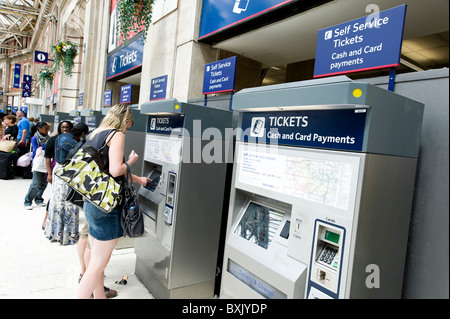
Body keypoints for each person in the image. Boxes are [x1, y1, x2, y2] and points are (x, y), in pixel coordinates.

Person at [77, 104, 150, 299]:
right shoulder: (116, 135)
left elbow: (104, 170)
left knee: (95, 260)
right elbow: (116, 171)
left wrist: (138, 179)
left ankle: (99, 296)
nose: (127, 130)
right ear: (124, 121)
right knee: (97, 265)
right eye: (128, 125)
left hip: (92, 200)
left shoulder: (95, 134)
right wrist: (131, 161)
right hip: (106, 205)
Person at [44, 123, 89, 245]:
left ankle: (54, 232)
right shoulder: (74, 143)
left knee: (57, 202)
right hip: (67, 174)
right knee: (68, 203)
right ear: (83, 134)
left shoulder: (60, 137)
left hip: (59, 171)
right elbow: (75, 158)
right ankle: (66, 236)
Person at [41, 120, 73, 230]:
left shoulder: (73, 141)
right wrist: (49, 174)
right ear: (59, 128)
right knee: (55, 195)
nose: (65, 129)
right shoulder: (54, 140)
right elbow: (47, 158)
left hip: (69, 173)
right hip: (57, 170)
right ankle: (46, 218)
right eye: (63, 127)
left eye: (67, 127)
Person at [24, 122, 50, 210]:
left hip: (46, 162)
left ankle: (38, 199)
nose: (47, 131)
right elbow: (37, 150)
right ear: (39, 129)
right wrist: (46, 144)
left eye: (48, 129)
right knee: (35, 183)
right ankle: (27, 201)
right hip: (38, 162)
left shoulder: (48, 137)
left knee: (43, 183)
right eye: (45, 129)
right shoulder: (35, 138)